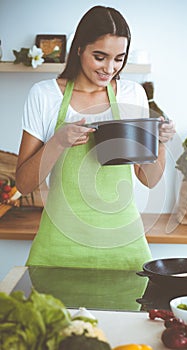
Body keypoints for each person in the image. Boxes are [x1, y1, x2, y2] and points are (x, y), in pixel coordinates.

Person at [16, 5, 176, 271]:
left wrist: (159, 142)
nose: (109, 68)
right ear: (79, 49)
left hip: (124, 247)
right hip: (59, 247)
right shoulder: (44, 95)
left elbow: (148, 179)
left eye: (119, 58)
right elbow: (23, 184)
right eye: (100, 57)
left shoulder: (132, 94)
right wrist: (58, 141)